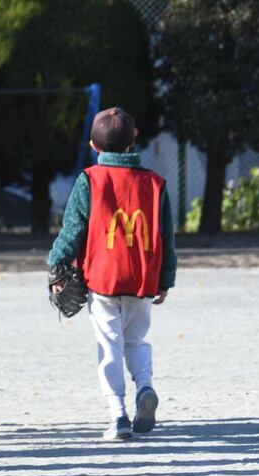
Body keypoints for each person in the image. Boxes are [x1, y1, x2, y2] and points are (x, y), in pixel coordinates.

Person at [48, 107, 176, 440]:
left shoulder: (90, 179)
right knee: (135, 340)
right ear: (134, 141)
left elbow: (73, 230)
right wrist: (165, 279)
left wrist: (57, 264)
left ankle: (118, 414)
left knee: (109, 345)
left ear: (93, 145)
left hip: (103, 280)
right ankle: (144, 385)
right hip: (142, 279)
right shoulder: (155, 184)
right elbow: (166, 238)